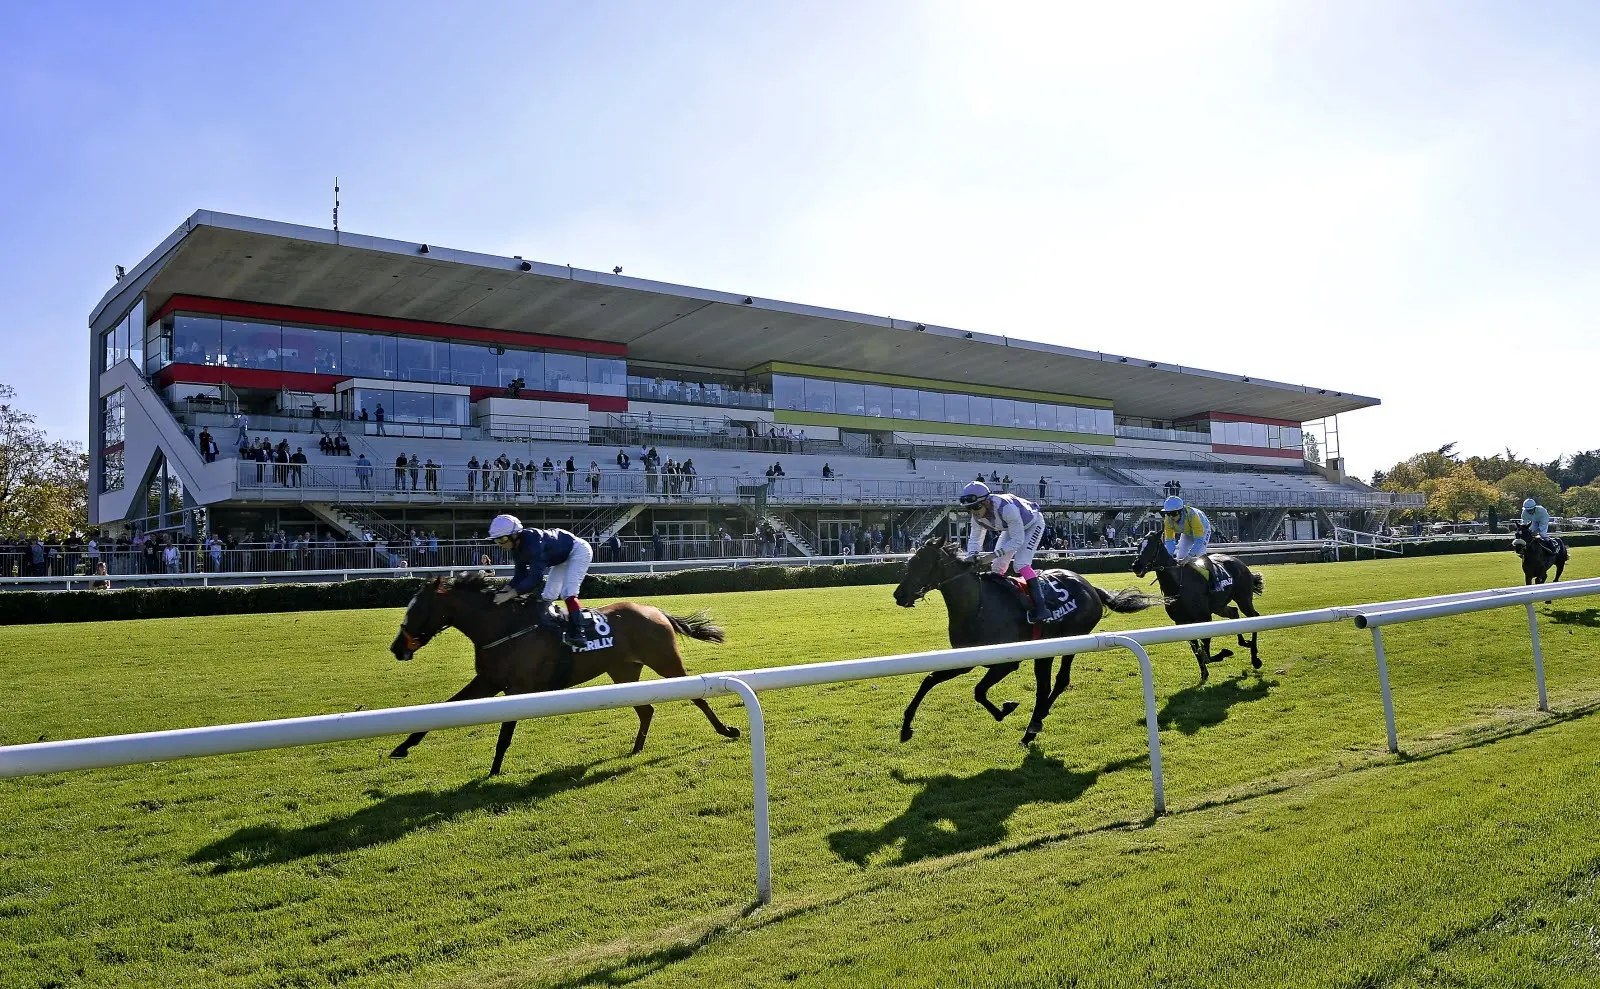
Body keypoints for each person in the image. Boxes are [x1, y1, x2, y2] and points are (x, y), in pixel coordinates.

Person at [487, 514, 593, 648]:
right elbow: (520, 575)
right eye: (496, 541)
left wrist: (509, 595)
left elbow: (535, 578)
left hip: (578, 550)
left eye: (502, 539)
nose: (500, 544)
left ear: (515, 535)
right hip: (562, 558)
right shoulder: (516, 548)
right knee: (548, 596)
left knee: (568, 593)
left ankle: (579, 634)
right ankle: (554, 629)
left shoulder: (533, 543)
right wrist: (504, 590)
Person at [958, 480, 1049, 622]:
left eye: (975, 507)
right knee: (997, 567)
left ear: (987, 502)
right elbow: (975, 538)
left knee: (1021, 564)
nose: (973, 512)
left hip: (1033, 523)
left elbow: (1018, 540)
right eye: (968, 508)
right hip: (1013, 528)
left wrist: (992, 555)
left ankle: (1041, 608)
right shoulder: (976, 516)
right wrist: (972, 555)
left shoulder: (1006, 508)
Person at [1160, 495, 1218, 586]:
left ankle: (1215, 581)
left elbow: (1199, 540)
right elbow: (1169, 541)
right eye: (1168, 513)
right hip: (1187, 532)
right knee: (1180, 557)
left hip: (1202, 530)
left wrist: (1189, 557)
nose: (1171, 517)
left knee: (1200, 553)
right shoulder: (1168, 520)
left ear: (1181, 511)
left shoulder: (1193, 515)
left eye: (1174, 513)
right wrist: (1169, 556)